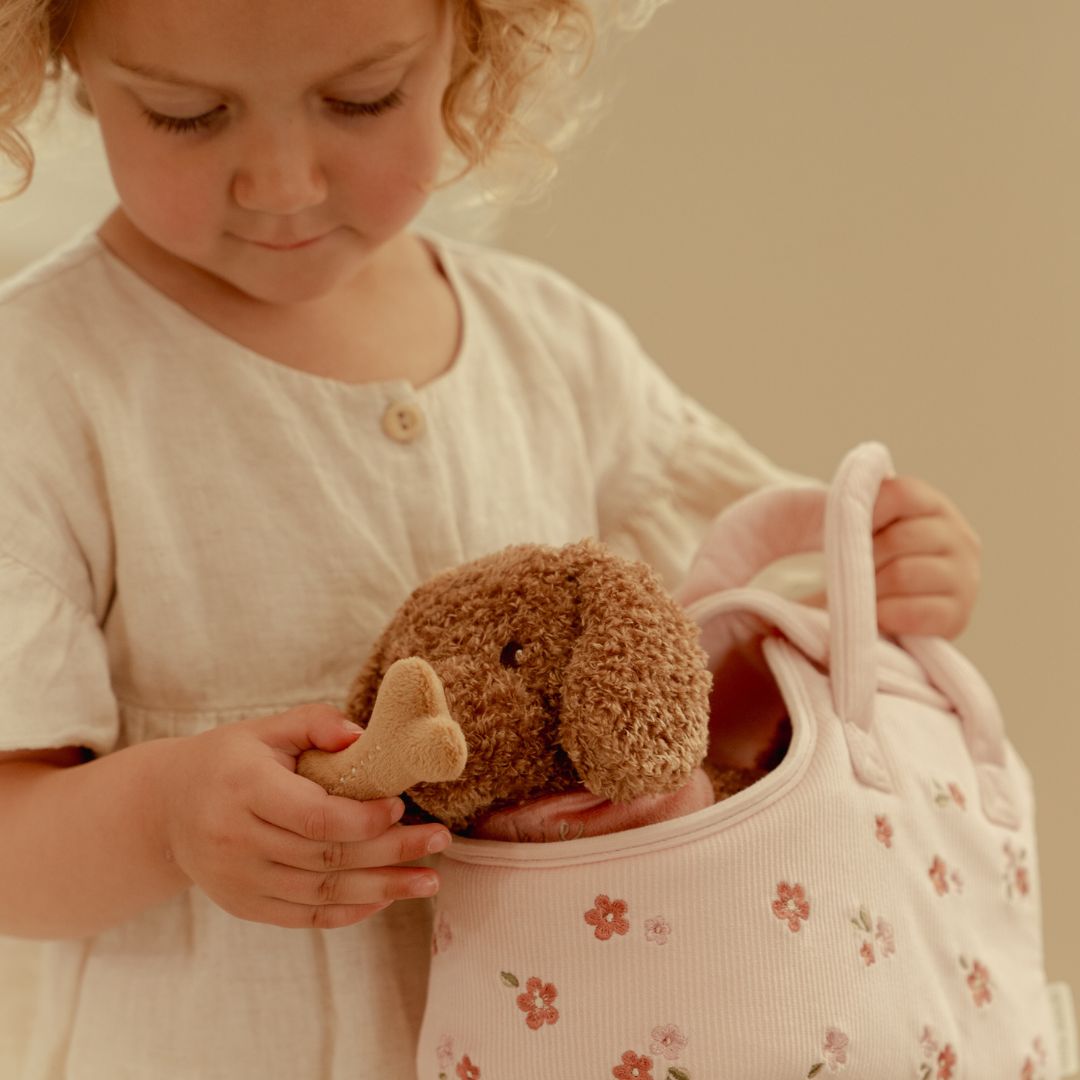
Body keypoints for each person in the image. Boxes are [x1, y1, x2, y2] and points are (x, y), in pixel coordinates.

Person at [0, 0, 982, 1076]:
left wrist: (859, 602)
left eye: (361, 99)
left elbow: (695, 687)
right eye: (185, 115)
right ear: (65, 61)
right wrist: (163, 818)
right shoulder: (44, 386)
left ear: (471, 48)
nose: (281, 182)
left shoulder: (554, 350)